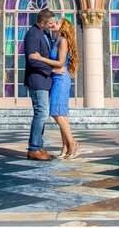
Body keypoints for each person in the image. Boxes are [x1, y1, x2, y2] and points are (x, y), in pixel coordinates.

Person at [30, 17, 80, 159]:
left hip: (61, 79)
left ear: (63, 27)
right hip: (56, 78)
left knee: (57, 112)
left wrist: (41, 59)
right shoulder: (56, 40)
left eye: (57, 23)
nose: (54, 24)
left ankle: (73, 143)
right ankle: (65, 147)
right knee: (61, 113)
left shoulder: (63, 40)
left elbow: (60, 62)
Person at [23, 8, 57, 161]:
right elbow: (32, 60)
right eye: (50, 23)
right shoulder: (33, 33)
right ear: (42, 23)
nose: (53, 25)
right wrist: (53, 69)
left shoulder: (46, 33)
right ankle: (33, 149)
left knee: (42, 114)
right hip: (37, 80)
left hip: (44, 80)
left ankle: (39, 145)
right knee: (41, 113)